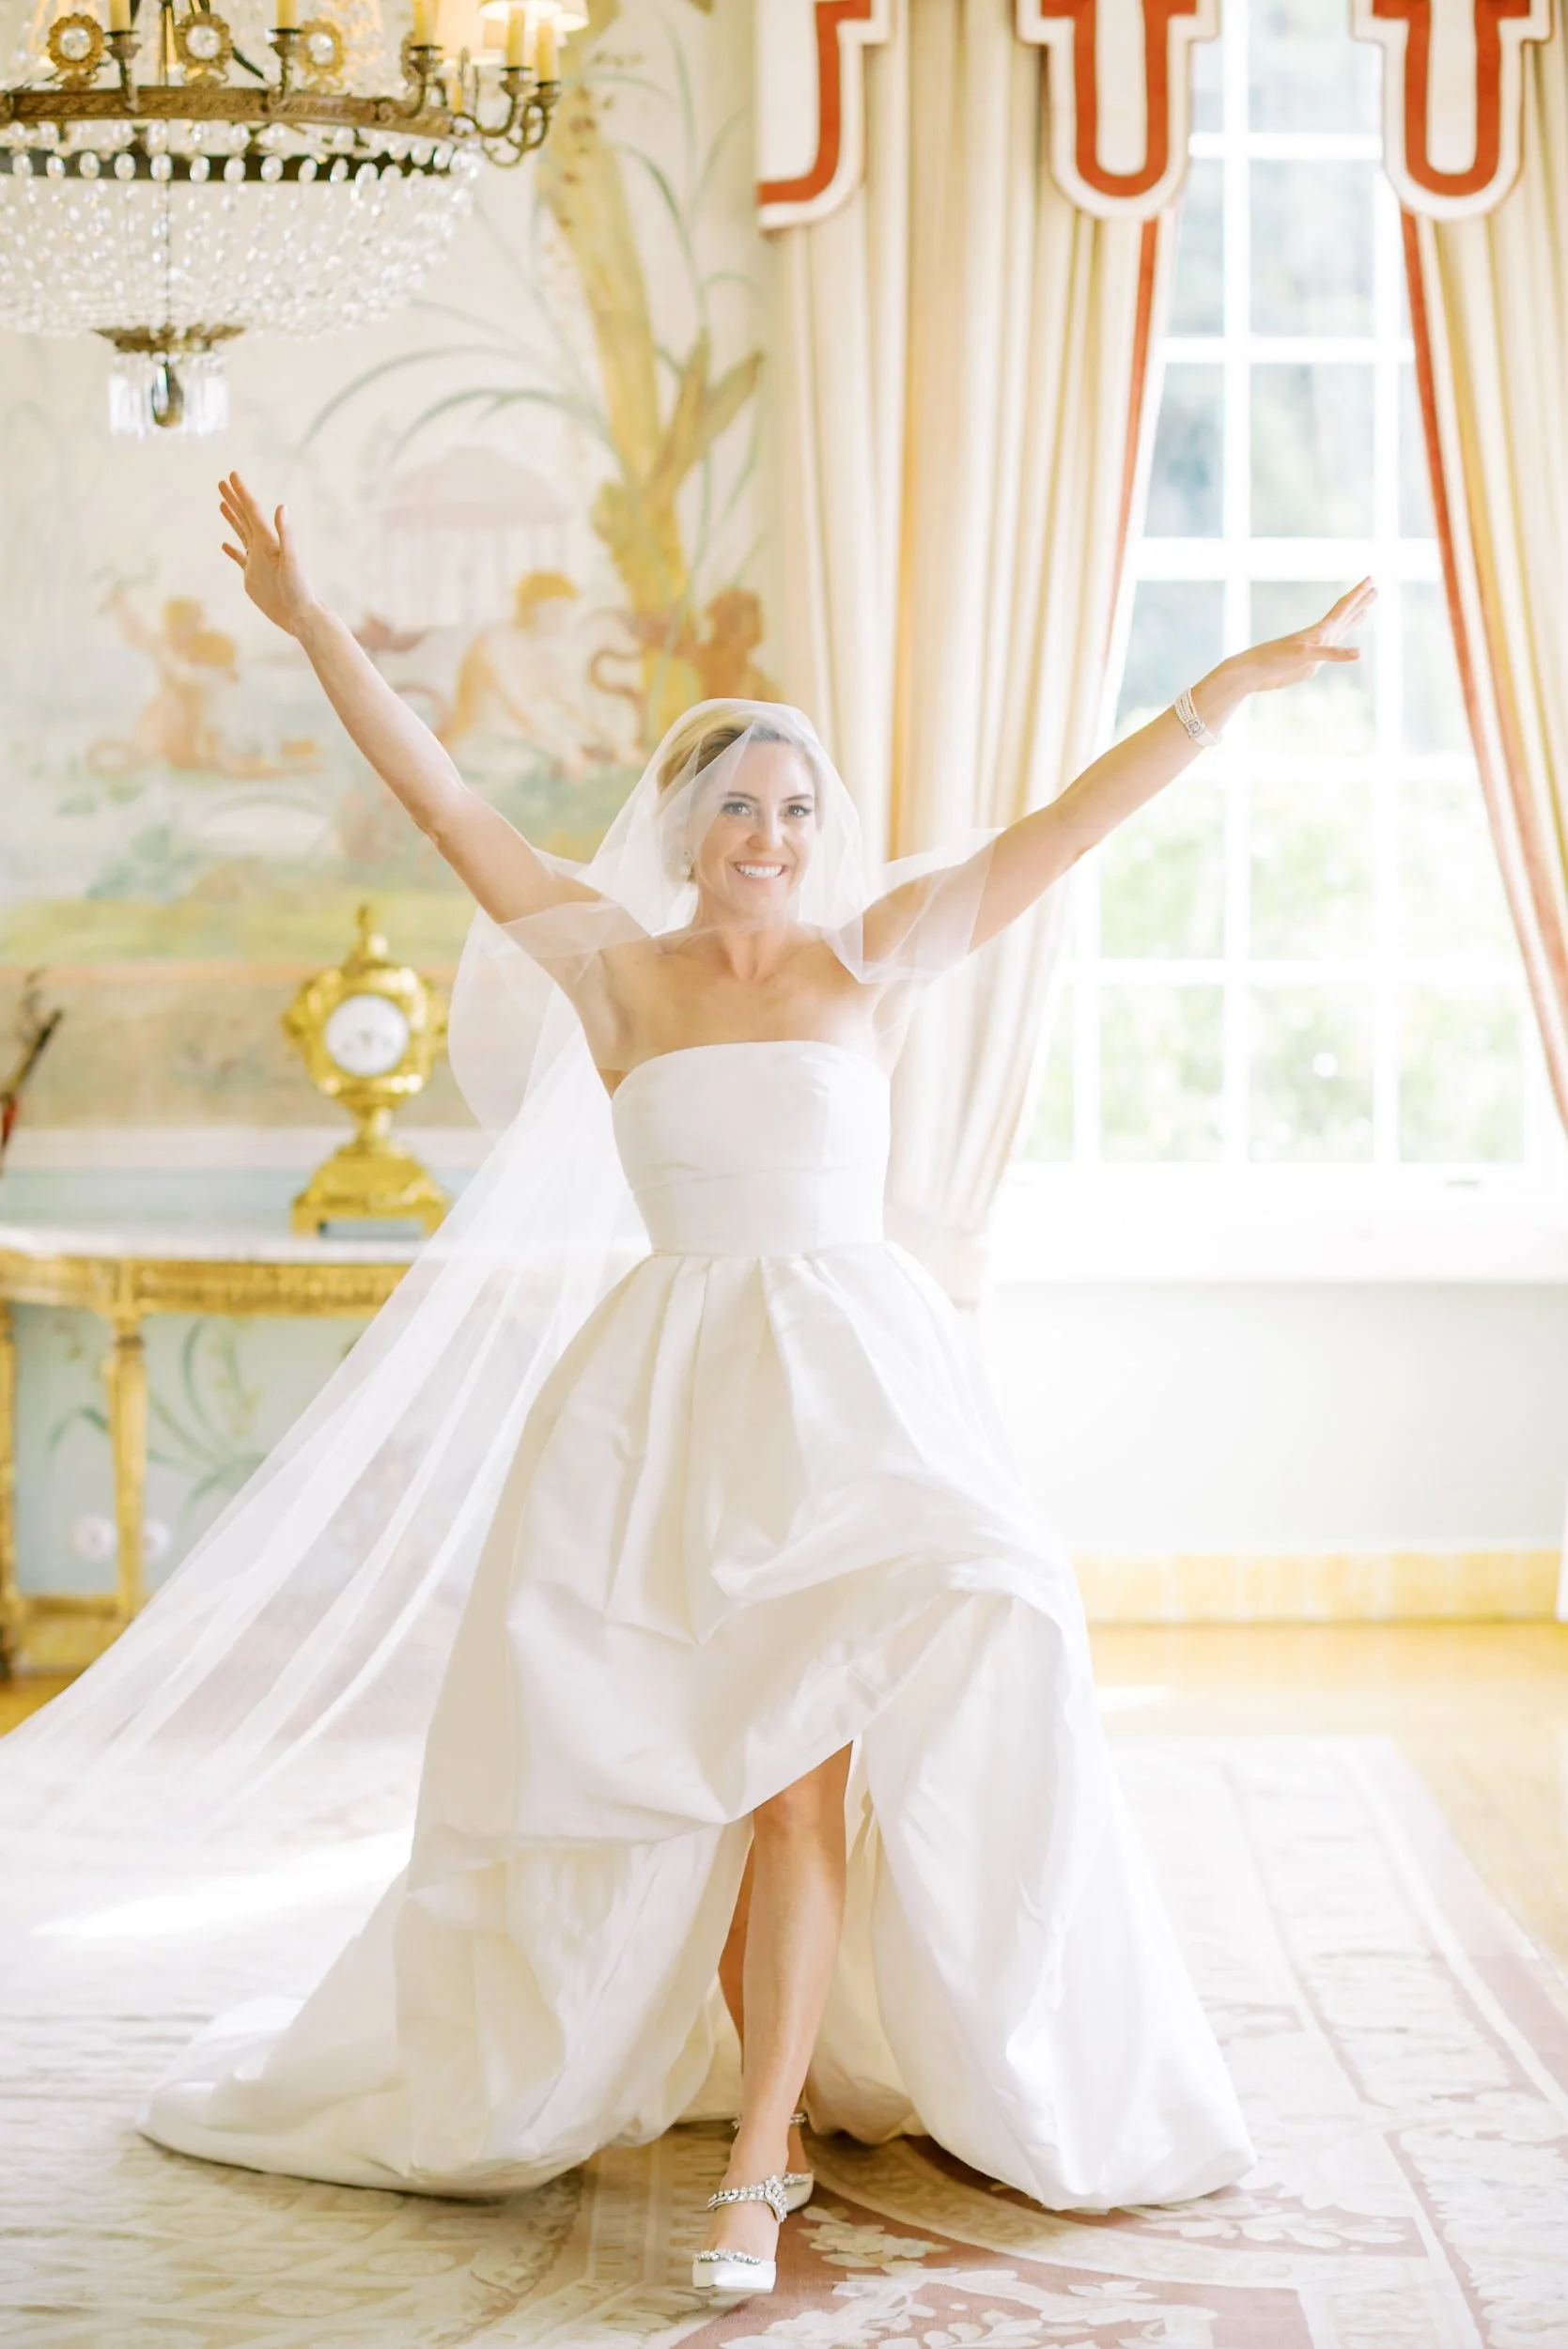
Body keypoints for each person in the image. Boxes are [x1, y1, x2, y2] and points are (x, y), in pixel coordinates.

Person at [131, 475, 1373, 2298]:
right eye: (741, 805)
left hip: (854, 1411)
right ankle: (717, 2083)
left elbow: (1057, 832)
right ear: (689, 826)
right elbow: (448, 798)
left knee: (809, 1782)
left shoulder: (873, 957)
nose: (772, 832)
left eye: (797, 807)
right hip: (662, 1417)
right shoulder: (614, 976)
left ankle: (764, 2147)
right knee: (681, 1784)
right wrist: (317, 621)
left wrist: (1233, 686)